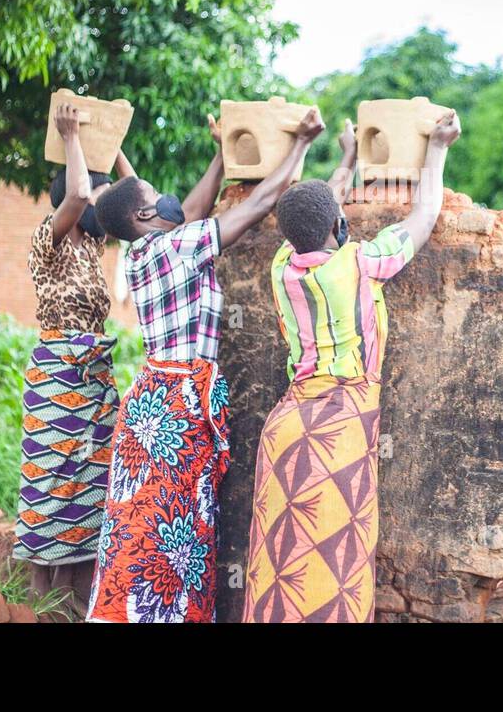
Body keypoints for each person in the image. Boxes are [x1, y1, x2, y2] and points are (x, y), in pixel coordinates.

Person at [85, 105, 326, 623]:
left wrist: (221, 154)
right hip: (176, 410)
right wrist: (302, 143)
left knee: (146, 525)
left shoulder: (145, 251)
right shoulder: (178, 247)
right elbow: (259, 201)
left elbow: (189, 210)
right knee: (172, 529)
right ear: (145, 217)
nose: (166, 198)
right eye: (154, 195)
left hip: (155, 401)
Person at [243, 111, 461, 623]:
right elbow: (424, 217)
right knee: (333, 574)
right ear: (340, 226)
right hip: (338, 434)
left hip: (286, 430)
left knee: (278, 571)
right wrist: (438, 148)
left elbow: (315, 215)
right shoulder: (360, 263)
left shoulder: (282, 267)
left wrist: (345, 157)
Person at [12, 101, 136, 619]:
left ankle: (79, 593)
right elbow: (84, 190)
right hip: (57, 374)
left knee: (89, 481)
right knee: (48, 478)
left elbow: (138, 198)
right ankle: (40, 595)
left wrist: (112, 142)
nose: (101, 196)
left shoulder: (95, 241)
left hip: (93, 380)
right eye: (94, 188)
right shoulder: (52, 237)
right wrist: (71, 138)